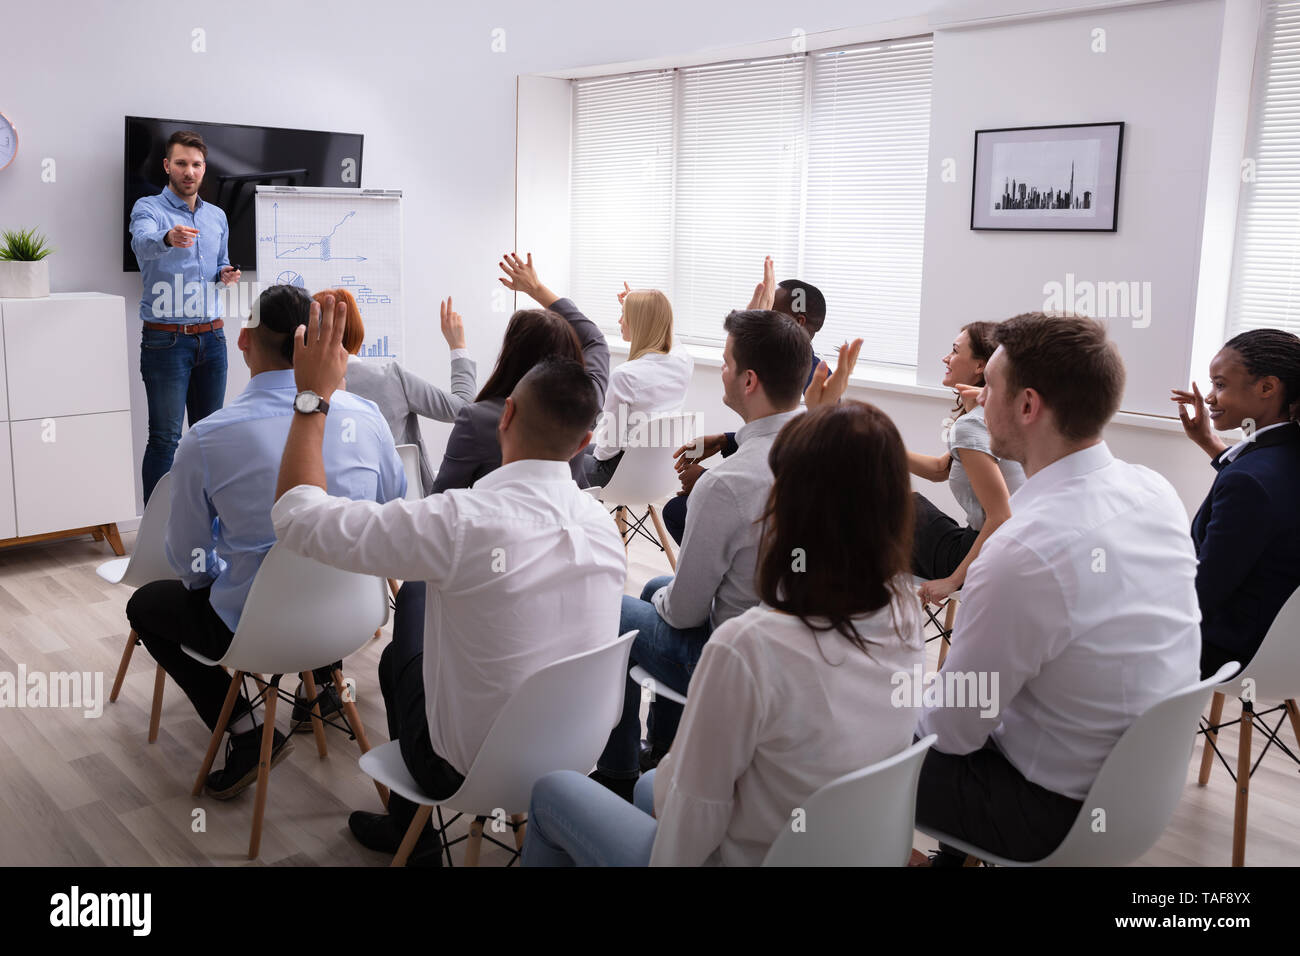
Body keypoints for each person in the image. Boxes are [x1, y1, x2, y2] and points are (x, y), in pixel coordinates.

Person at [270, 296, 626, 867]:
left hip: (462, 766)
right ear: (585, 444)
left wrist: (313, 399)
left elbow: (296, 517)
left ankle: (417, 845)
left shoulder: (459, 522)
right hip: (576, 752)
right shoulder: (603, 527)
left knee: (398, 647)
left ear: (505, 415)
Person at [521, 401, 924, 865]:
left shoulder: (748, 645)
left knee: (554, 790)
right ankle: (647, 763)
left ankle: (627, 764)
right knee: (651, 785)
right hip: (835, 847)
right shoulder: (905, 614)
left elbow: (688, 827)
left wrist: (680, 771)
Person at [915, 312, 1201, 865]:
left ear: (1027, 406)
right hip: (1141, 794)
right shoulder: (1155, 490)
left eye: (988, 387)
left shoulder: (1024, 550)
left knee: (846, 730)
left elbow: (950, 733)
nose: (976, 399)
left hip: (1050, 814)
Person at [124, 285, 405, 799]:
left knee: (146, 605)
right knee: (322, 552)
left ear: (244, 339)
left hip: (257, 632)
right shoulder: (366, 417)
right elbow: (392, 509)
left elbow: (189, 560)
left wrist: (219, 580)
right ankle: (319, 688)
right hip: (356, 618)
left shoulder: (207, 438)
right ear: (314, 344)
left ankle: (248, 733)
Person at [591, 307, 861, 798]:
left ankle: (617, 771)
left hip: (739, 665)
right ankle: (668, 749)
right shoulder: (831, 453)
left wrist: (658, 605)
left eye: (726, 361)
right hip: (802, 646)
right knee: (656, 584)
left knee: (615, 608)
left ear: (749, 380)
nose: (721, 369)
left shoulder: (727, 483)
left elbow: (686, 611)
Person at [662, 257, 829, 542]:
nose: (762, 321)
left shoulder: (811, 392)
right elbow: (774, 437)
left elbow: (781, 470)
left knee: (677, 513)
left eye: (770, 314)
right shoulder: (803, 372)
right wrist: (725, 441)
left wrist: (707, 483)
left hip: (785, 528)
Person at [1170, 328, 1300, 678]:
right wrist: (1210, 443)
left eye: (1221, 385)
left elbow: (1205, 591)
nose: (1210, 397)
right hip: (1284, 649)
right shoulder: (1282, 457)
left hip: (1229, 649)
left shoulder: (1248, 482)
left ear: (1267, 388)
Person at [430, 252, 609, 493]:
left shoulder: (478, 419)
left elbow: (442, 498)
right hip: (568, 521)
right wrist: (536, 288)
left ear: (510, 352)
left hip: (496, 528)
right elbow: (595, 340)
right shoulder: (585, 402)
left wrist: (457, 347)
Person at [128, 130, 241, 503]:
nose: (188, 171)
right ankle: (155, 536)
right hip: (166, 341)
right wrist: (167, 238)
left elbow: (220, 263)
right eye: (181, 163)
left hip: (213, 339)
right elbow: (141, 243)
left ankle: (203, 524)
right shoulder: (148, 208)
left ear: (203, 168)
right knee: (165, 439)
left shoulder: (218, 217)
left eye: (195, 165)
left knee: (210, 437)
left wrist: (225, 275)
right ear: (167, 166)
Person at [315, 288, 477, 495]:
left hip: (332, 505)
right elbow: (463, 408)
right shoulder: (392, 378)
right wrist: (458, 346)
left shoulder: (302, 392)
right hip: (403, 506)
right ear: (357, 329)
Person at [908, 322, 1025, 604]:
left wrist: (951, 582)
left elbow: (1001, 515)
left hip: (984, 560)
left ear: (979, 367)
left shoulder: (971, 426)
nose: (945, 358)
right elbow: (939, 469)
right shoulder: (993, 416)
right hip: (1007, 552)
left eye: (954, 351)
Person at [583, 284, 692, 487]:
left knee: (560, 460)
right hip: (659, 471)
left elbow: (608, 449)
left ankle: (589, 515)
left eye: (623, 315)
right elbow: (667, 332)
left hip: (621, 475)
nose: (619, 320)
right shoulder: (683, 361)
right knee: (580, 450)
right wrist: (643, 310)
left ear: (638, 323)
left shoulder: (626, 375)